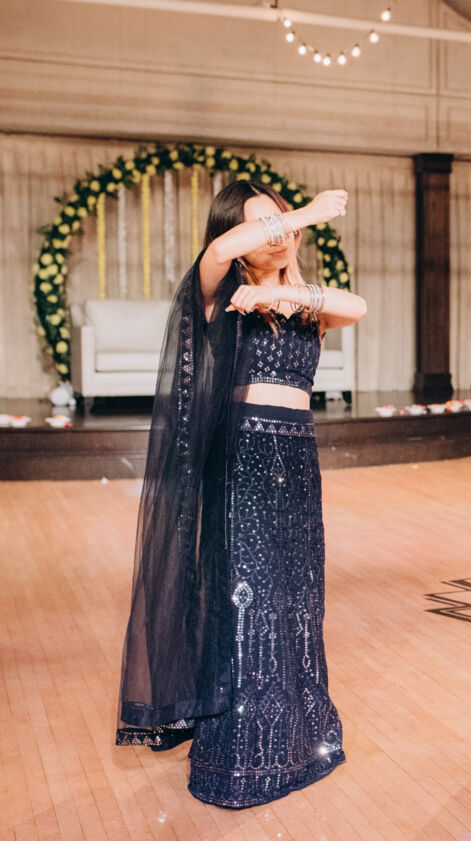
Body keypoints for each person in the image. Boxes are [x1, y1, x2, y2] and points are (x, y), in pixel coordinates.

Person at [115, 181, 367, 807]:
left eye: (283, 224)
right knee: (248, 600)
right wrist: (303, 214)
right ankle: (242, 757)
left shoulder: (304, 305)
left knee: (297, 599)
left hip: (297, 460)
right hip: (243, 459)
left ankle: (300, 741)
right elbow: (223, 250)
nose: (280, 236)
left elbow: (356, 305)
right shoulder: (217, 294)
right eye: (264, 226)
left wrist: (284, 294)